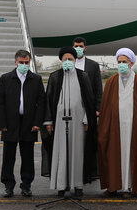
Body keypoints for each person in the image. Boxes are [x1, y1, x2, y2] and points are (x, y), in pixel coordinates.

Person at [98, 48, 137, 198]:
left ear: (131, 63)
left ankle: (129, 187)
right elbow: (106, 106)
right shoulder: (112, 81)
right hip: (116, 126)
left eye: (124, 62)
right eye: (119, 62)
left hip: (135, 126)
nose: (121, 65)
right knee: (114, 155)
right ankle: (114, 185)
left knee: (133, 155)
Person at [41, 46, 97, 198]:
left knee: (77, 153)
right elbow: (48, 99)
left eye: (70, 59)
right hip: (59, 123)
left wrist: (87, 119)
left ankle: (78, 185)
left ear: (75, 60)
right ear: (61, 60)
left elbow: (89, 101)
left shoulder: (83, 76)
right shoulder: (55, 76)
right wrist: (48, 122)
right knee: (61, 153)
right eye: (65, 59)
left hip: (78, 123)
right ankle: (61, 186)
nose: (67, 62)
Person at [0, 49, 45, 197]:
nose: (24, 65)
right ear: (15, 62)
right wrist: (2, 122)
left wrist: (37, 122)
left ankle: (26, 185)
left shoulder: (36, 79)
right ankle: (8, 185)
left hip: (29, 123)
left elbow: (41, 102)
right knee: (8, 156)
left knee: (28, 156)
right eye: (21, 62)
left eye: (26, 62)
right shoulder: (5, 78)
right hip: (10, 123)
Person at [73, 37, 103, 116]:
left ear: (85, 48)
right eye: (76, 46)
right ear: (73, 48)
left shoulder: (93, 65)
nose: (78, 48)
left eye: (80, 46)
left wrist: (98, 107)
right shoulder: (69, 64)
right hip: (73, 104)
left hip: (88, 104)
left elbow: (98, 87)